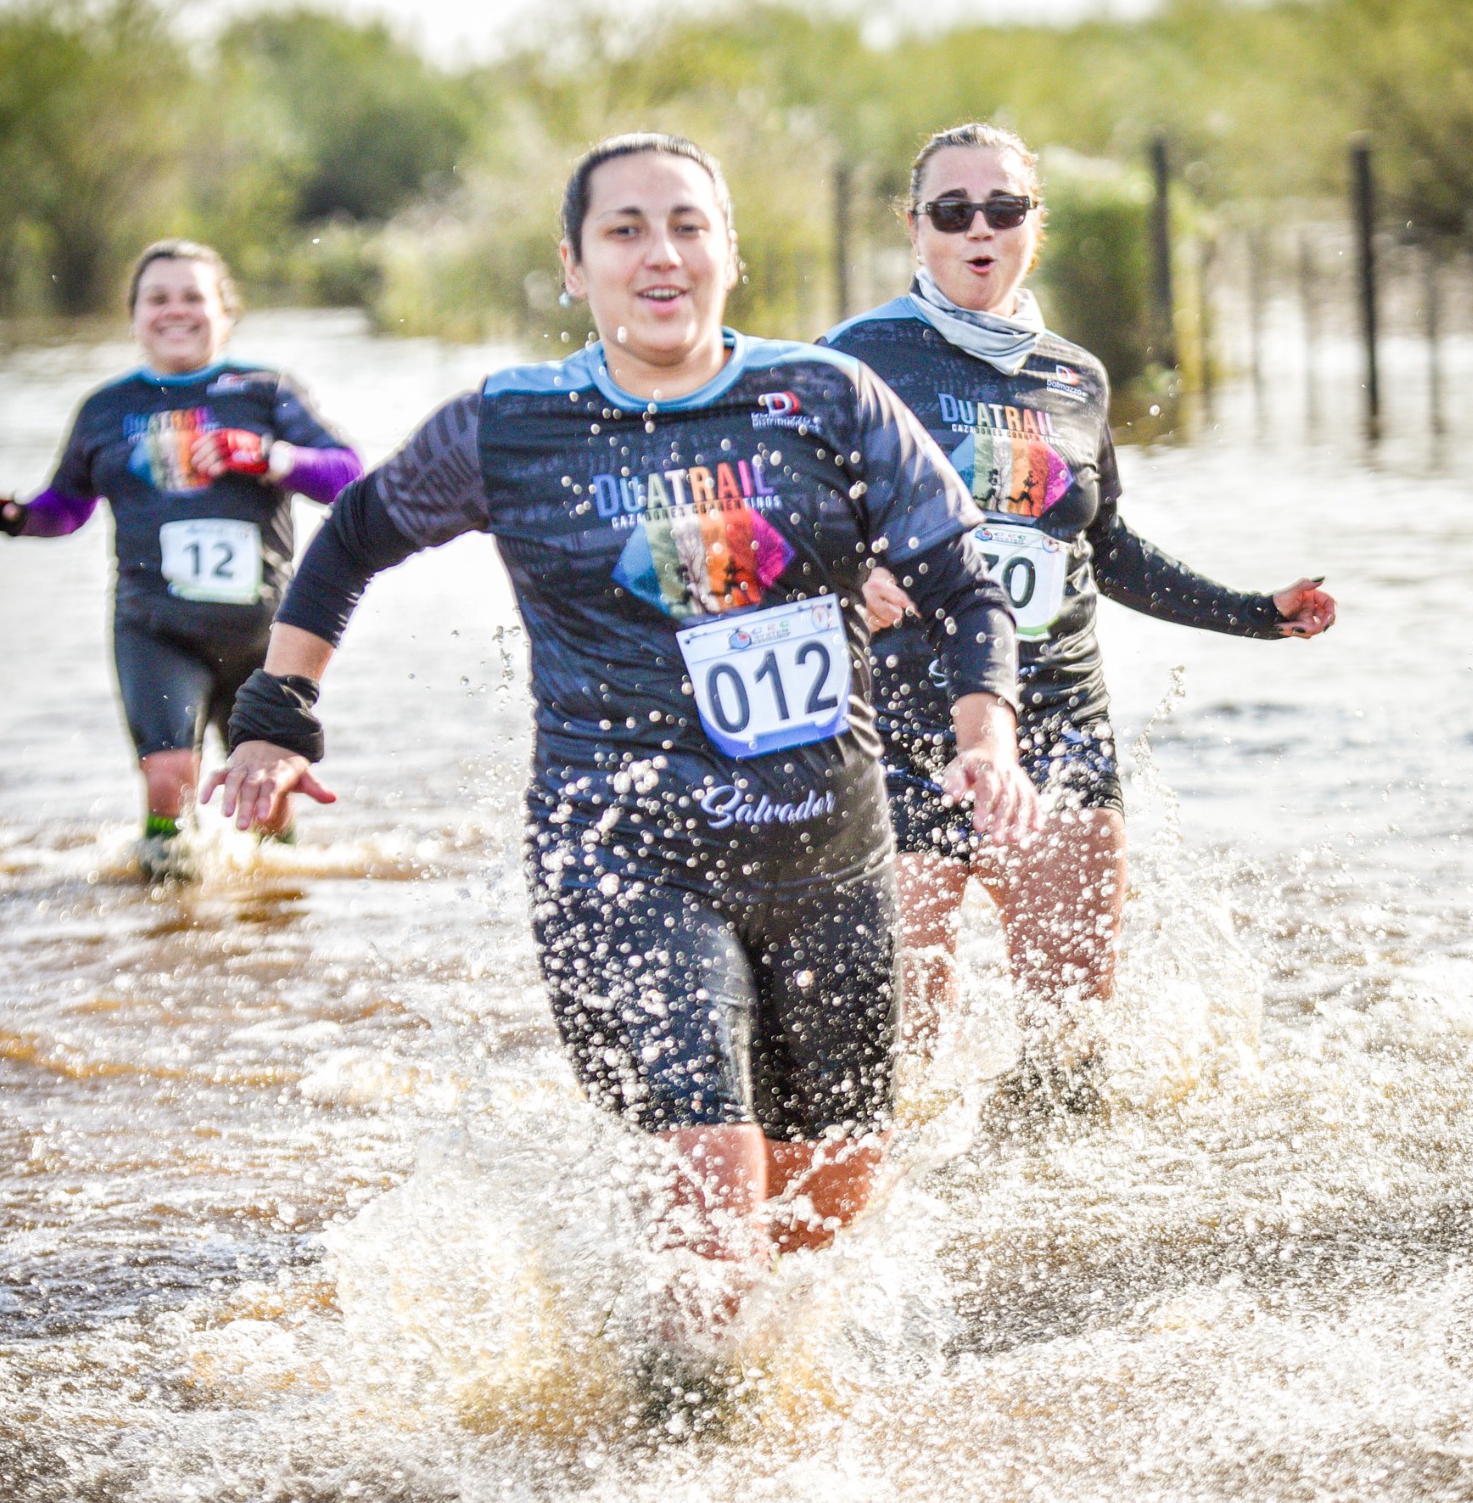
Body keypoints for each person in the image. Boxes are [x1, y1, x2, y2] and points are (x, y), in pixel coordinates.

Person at [206, 134, 1036, 1341]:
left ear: (730, 253)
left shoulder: (828, 398)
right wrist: (277, 717)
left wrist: (984, 735)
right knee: (711, 1197)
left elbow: (965, 582)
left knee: (825, 1208)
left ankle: (749, 1397)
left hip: (825, 860)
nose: (661, 255)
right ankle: (676, 1423)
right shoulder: (512, 425)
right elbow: (347, 542)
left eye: (688, 226)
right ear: (574, 264)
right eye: (626, 230)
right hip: (624, 860)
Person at [827, 123, 1335, 1117]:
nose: (979, 228)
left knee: (1068, 1069)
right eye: (952, 211)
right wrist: (846, 572)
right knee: (891, 1072)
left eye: (1003, 208)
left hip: (1058, 725)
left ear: (1035, 225)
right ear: (915, 228)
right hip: (898, 729)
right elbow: (769, 520)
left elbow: (1106, 548)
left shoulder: (1075, 377)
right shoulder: (855, 360)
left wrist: (1253, 614)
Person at [0, 239, 363, 880]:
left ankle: (280, 899)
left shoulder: (268, 393)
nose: (175, 311)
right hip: (155, 627)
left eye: (192, 297)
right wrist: (17, 517)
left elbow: (347, 476)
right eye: (157, 298)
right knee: (167, 779)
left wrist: (266, 456)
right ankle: (165, 899)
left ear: (225, 314)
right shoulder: (105, 409)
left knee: (265, 796)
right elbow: (66, 506)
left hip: (262, 632)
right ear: (134, 316)